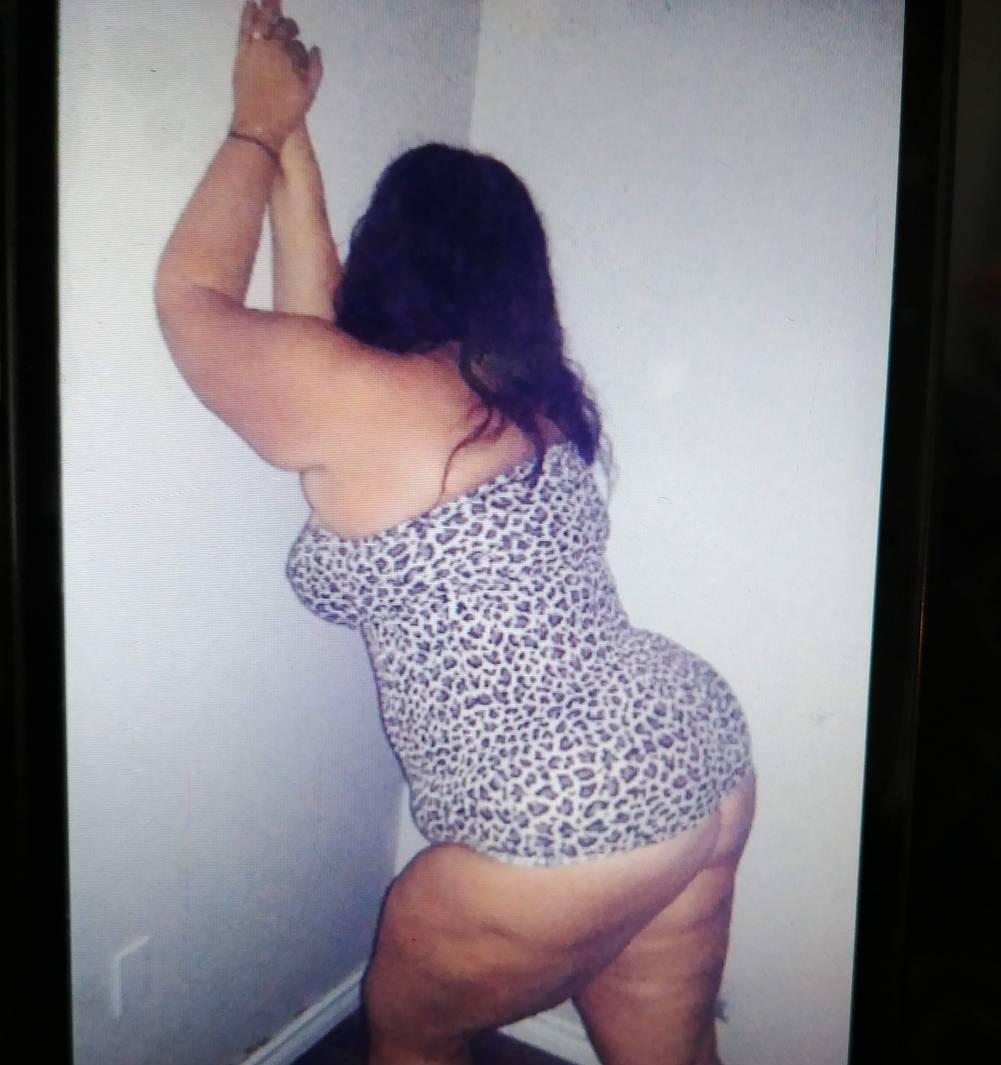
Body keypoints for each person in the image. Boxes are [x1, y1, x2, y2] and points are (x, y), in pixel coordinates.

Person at [154, 3, 755, 1063]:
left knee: (408, 1041)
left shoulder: (377, 402)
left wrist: (251, 129)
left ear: (395, 257)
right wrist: (293, 141)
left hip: (564, 816)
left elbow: (193, 299)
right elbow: (317, 336)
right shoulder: (525, 402)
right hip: (694, 749)